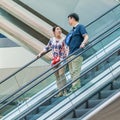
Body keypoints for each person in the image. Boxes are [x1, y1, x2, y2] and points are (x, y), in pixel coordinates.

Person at [37, 26, 67, 97]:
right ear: (54, 32)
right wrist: (40, 53)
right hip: (54, 60)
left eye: (60, 29)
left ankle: (65, 90)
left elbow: (67, 49)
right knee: (57, 76)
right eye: (57, 29)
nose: (59, 30)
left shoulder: (64, 39)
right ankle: (60, 92)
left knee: (61, 74)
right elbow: (47, 48)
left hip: (62, 59)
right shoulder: (52, 40)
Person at [65, 13, 89, 92]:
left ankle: (75, 87)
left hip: (77, 53)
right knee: (72, 72)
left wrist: (83, 43)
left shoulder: (80, 27)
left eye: (69, 19)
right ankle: (75, 86)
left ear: (72, 18)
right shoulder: (71, 31)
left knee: (75, 71)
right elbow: (67, 43)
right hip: (70, 55)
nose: (68, 21)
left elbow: (86, 36)